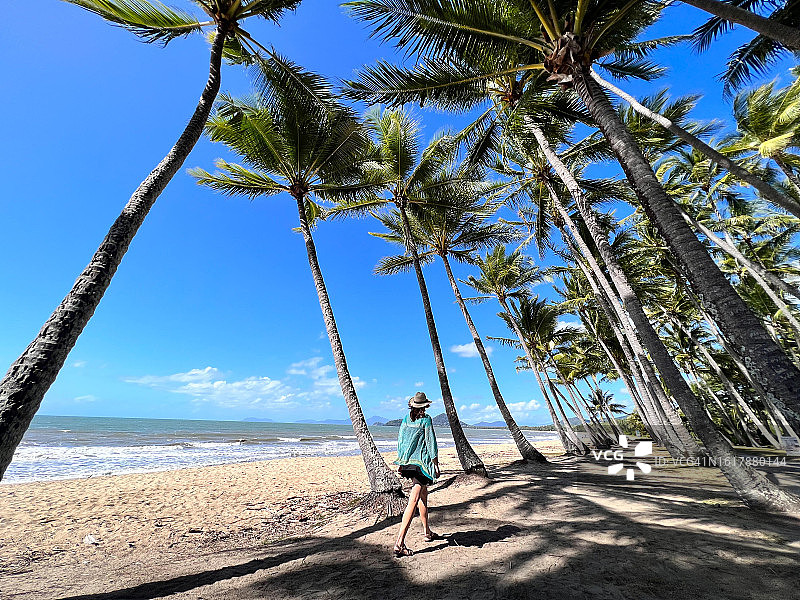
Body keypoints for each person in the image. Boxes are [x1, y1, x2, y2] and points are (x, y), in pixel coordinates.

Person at [393, 391, 442, 557]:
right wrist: (435, 464)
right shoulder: (426, 420)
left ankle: (427, 531)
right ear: (424, 406)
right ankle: (399, 542)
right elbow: (431, 443)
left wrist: (401, 461)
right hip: (420, 465)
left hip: (408, 463)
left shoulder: (406, 419)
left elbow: (401, 440)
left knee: (423, 496)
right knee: (413, 501)